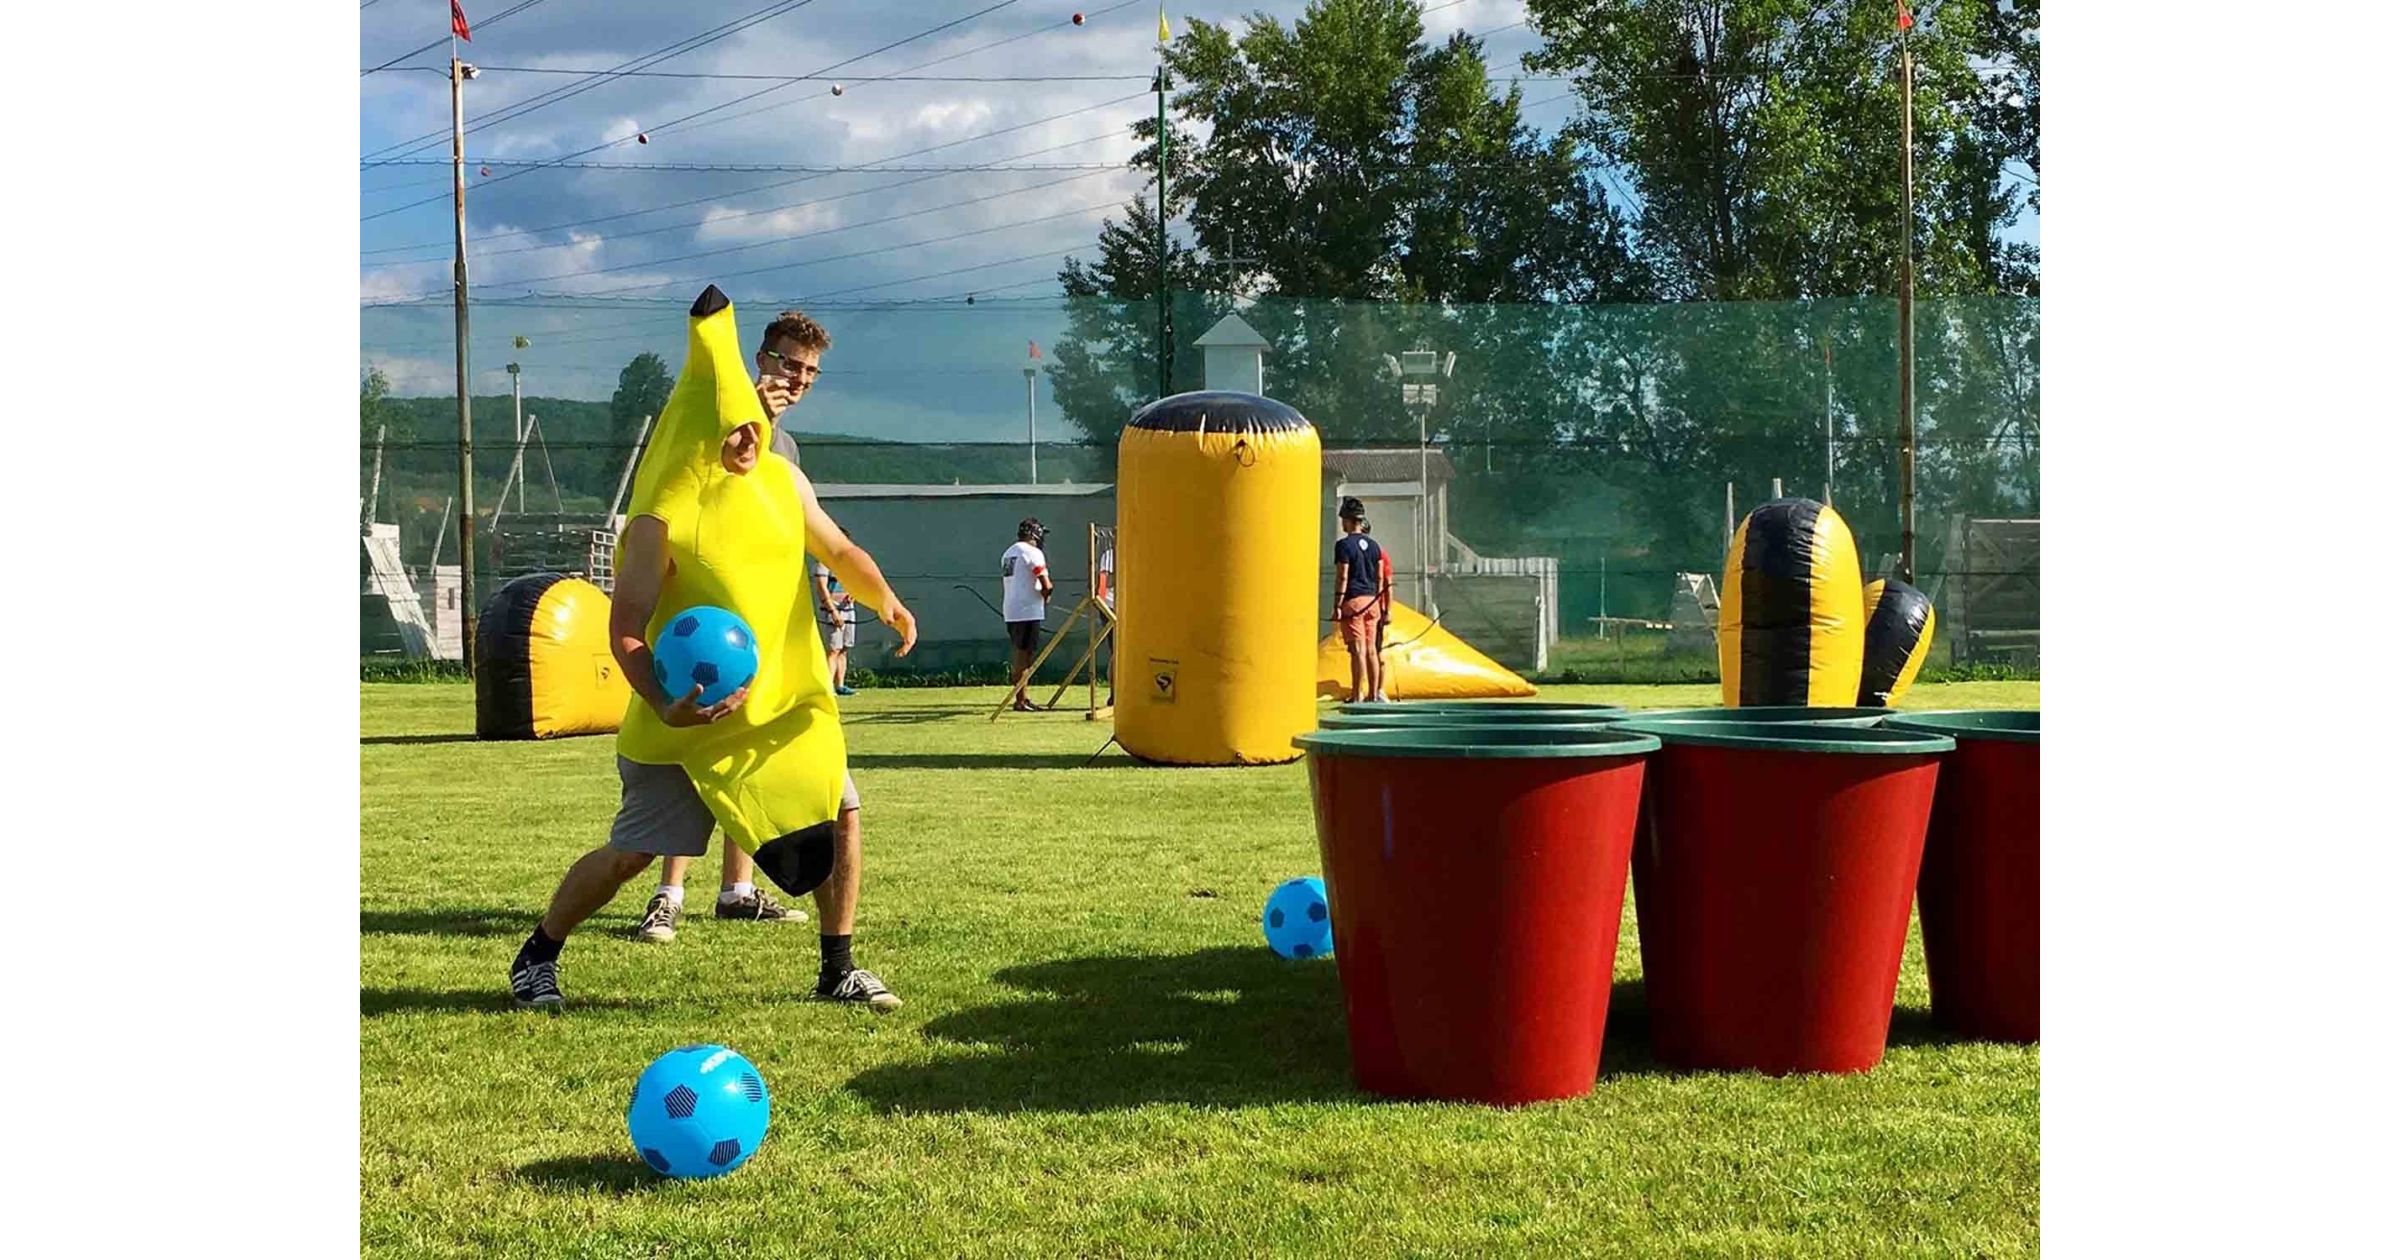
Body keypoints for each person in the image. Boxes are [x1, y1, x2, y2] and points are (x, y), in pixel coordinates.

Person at [512, 291, 916, 1013]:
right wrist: (663, 701)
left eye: (805, 374)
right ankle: (539, 953)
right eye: (776, 374)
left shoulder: (782, 480)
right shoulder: (663, 513)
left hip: (777, 712)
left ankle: (839, 969)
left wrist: (883, 597)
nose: (787, 388)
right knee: (632, 855)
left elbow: (838, 547)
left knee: (841, 812)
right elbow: (626, 626)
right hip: (681, 722)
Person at [630, 310, 866, 945]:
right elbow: (689, 482)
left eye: (811, 371)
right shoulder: (716, 418)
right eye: (790, 363)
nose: (799, 378)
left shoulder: (785, 454)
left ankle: (737, 890)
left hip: (757, 636)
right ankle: (667, 894)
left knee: (755, 763)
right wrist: (746, 414)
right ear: (761, 359)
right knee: (689, 763)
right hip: (698, 624)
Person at [1330, 497, 1388, 703]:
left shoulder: (1343, 545)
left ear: (1347, 520)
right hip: (1372, 601)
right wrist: (1380, 603)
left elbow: (1343, 575)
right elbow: (1380, 576)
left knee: (1357, 651)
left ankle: (1357, 695)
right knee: (1372, 649)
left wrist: (1337, 604)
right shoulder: (1375, 546)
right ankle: (1374, 694)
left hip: (1353, 601)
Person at [1000, 517, 1053, 712]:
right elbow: (1046, 584)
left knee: (1020, 653)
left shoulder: (1008, 553)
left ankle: (1022, 697)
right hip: (1028, 611)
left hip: (1011, 610)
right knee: (1025, 657)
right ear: (1035, 534)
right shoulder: (1033, 552)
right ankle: (1021, 700)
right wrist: (1046, 596)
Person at [813, 552, 858, 697]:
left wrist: (853, 594)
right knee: (833, 649)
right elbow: (821, 588)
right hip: (833, 610)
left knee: (844, 649)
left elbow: (855, 582)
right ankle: (828, 686)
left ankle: (840, 685)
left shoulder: (848, 563)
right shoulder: (823, 563)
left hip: (848, 609)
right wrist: (833, 611)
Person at [1365, 518, 1393, 703]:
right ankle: (1370, 691)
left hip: (1376, 608)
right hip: (1369, 607)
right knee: (1366, 651)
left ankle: (1378, 690)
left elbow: (1388, 584)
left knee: (1375, 650)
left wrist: (1387, 610)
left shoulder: (1379, 554)